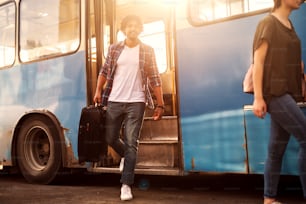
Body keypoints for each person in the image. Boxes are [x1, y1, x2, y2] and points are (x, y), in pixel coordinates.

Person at [93, 15, 164, 201]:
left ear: (140, 29)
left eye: (136, 26)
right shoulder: (114, 48)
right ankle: (125, 155)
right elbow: (104, 71)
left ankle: (126, 184)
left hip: (136, 101)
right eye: (129, 26)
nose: (132, 28)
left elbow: (155, 77)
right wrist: (98, 90)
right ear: (124, 29)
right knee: (110, 137)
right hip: (114, 100)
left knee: (132, 142)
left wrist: (160, 104)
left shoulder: (147, 50)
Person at [251, 0, 306, 203]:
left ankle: (269, 199)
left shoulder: (289, 25)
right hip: (275, 93)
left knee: (276, 150)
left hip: (288, 92)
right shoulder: (268, 23)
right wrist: (258, 97)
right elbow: (259, 61)